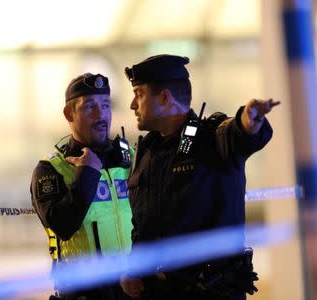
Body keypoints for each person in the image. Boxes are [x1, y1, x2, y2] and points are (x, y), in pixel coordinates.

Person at [120, 54, 280, 300]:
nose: (132, 104)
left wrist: (250, 121)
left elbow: (239, 134)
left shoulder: (212, 138)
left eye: (139, 94)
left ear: (164, 98)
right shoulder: (147, 151)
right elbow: (144, 224)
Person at [31, 73, 133, 299]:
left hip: (133, 288)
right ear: (69, 113)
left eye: (106, 105)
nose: (101, 115)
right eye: (90, 107)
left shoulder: (129, 158)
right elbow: (63, 225)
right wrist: (87, 174)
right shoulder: (50, 169)